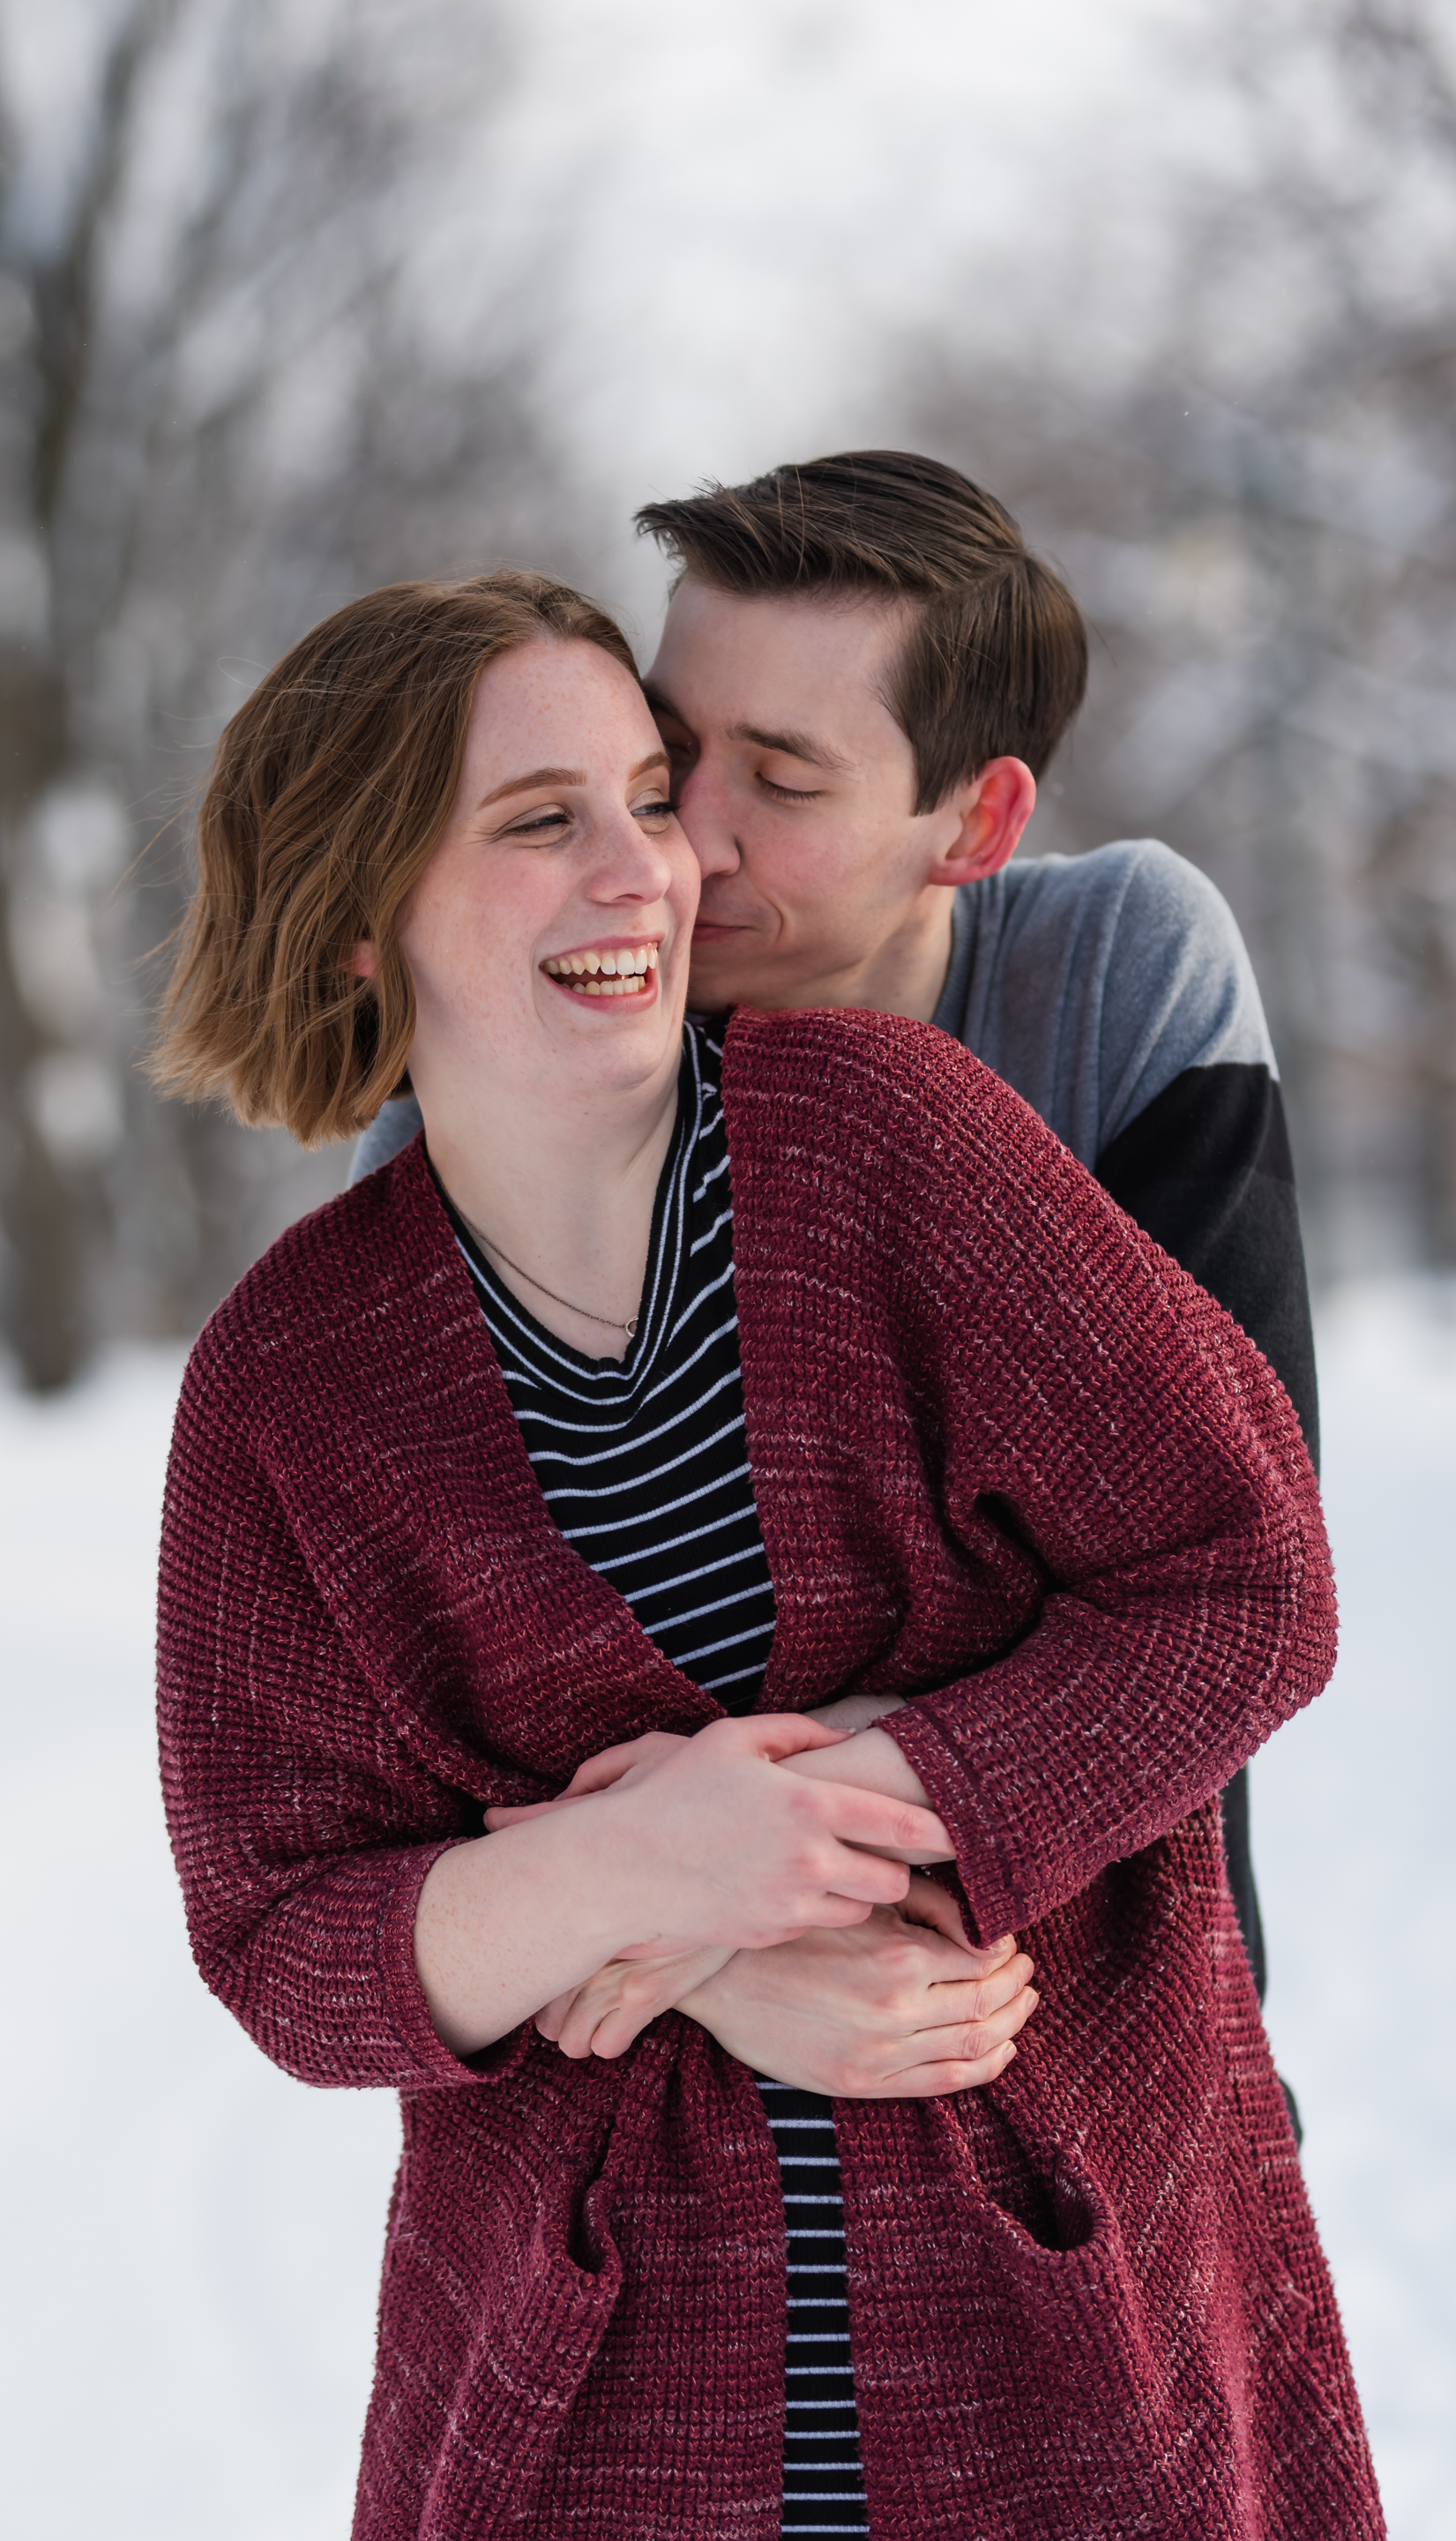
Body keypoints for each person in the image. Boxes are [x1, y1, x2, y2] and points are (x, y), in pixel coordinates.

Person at [153, 568, 1379, 2541]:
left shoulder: (898, 1138)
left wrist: (800, 1830)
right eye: (541, 819)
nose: (648, 868)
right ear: (357, 911)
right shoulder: (287, 1383)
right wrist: (661, 1888)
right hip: (597, 2429)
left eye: (648, 793)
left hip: (1064, 2352)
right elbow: (286, 1933)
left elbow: (1242, 1578)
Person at [350, 452, 1314, 2044]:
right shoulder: (499, 1091)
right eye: (669, 761)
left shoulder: (1113, 978)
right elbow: (477, 1756)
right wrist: (716, 1945)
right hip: (660, 2105)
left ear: (976, 820)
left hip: (1110, 2028)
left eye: (784, 785)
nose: (681, 850)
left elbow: (1226, 1571)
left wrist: (729, 1848)